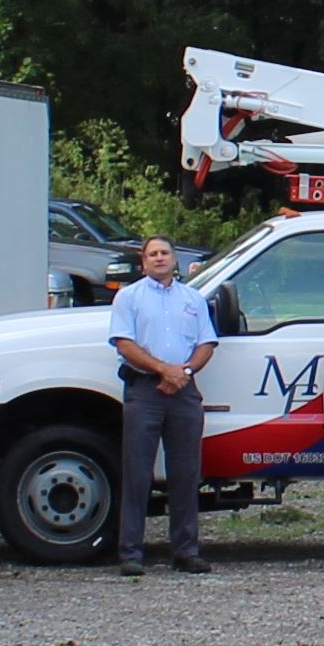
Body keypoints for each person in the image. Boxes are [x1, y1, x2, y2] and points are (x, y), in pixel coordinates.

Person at [110, 234, 217, 576]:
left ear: (175, 260)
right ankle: (131, 552)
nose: (159, 258)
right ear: (143, 262)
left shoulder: (193, 299)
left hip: (184, 391)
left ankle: (186, 551)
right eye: (152, 254)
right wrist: (163, 370)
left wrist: (183, 371)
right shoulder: (128, 297)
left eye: (164, 253)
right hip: (145, 389)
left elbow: (206, 343)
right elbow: (125, 343)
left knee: (186, 474)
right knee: (138, 473)